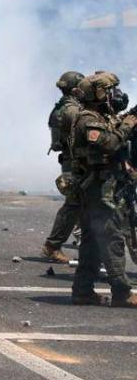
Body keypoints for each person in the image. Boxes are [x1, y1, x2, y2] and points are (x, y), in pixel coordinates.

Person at [68, 71, 137, 308]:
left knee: (93, 242)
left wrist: (130, 117)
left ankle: (82, 291)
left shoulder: (101, 116)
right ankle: (122, 292)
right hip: (98, 188)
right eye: (107, 91)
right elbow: (110, 143)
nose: (112, 95)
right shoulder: (88, 120)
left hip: (103, 185)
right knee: (111, 238)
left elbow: (117, 131)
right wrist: (129, 123)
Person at [41, 71, 85, 264]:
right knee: (73, 205)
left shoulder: (62, 107)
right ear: (76, 89)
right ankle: (53, 246)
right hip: (76, 162)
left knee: (79, 204)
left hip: (70, 160)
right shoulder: (73, 110)